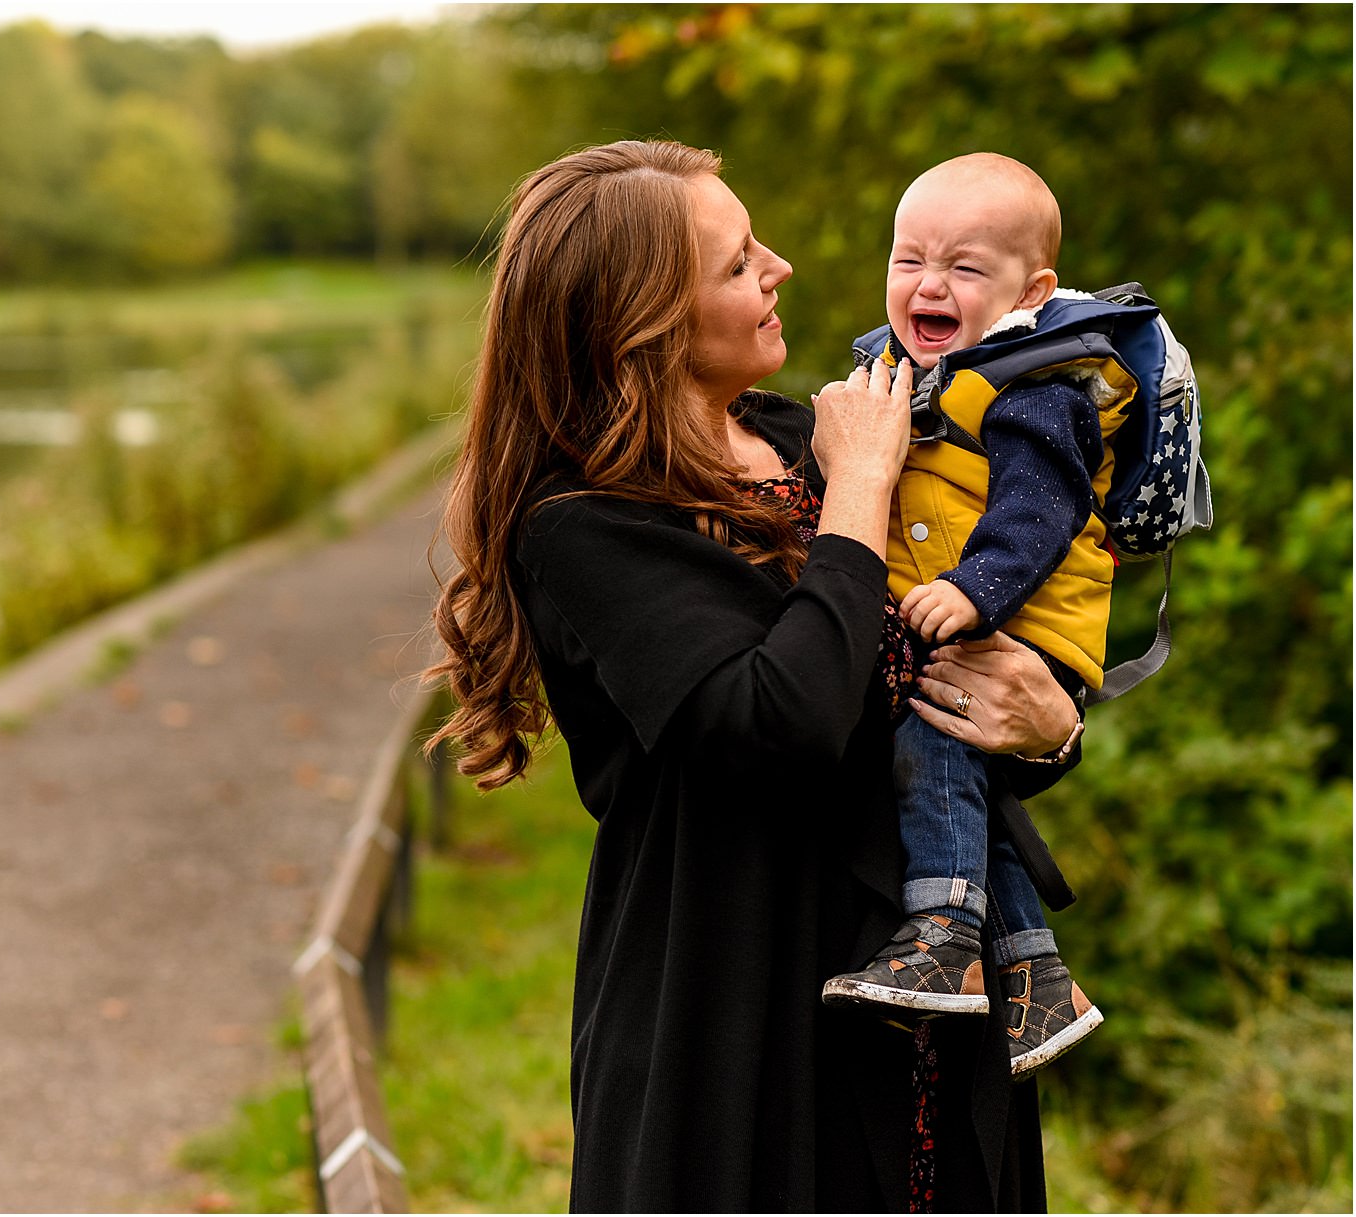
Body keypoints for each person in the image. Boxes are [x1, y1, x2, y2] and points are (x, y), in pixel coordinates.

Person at [428, 139, 1084, 1212]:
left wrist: (1047, 725)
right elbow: (782, 721)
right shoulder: (591, 522)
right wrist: (861, 491)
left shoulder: (811, 438)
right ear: (641, 323)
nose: (776, 266)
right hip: (737, 1024)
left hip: (925, 1002)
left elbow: (925, 710)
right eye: (736, 264)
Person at [819, 155, 1104, 1080]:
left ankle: (944, 931)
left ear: (1034, 291)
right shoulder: (905, 371)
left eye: (966, 268)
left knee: (933, 743)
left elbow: (1040, 510)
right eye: (909, 260)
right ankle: (1036, 975)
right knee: (961, 776)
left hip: (1016, 624)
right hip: (970, 618)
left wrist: (978, 591)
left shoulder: (1037, 387)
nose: (929, 284)